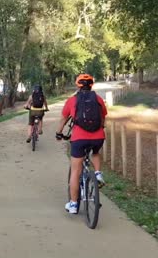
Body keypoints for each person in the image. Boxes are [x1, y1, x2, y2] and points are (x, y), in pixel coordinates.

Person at [55, 74, 107, 214]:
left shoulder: (72, 100)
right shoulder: (98, 99)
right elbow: (103, 117)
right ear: (91, 85)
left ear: (77, 85)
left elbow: (64, 118)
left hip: (79, 138)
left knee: (76, 172)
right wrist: (100, 129)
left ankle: (73, 204)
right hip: (98, 137)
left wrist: (58, 133)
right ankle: (97, 174)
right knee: (95, 152)